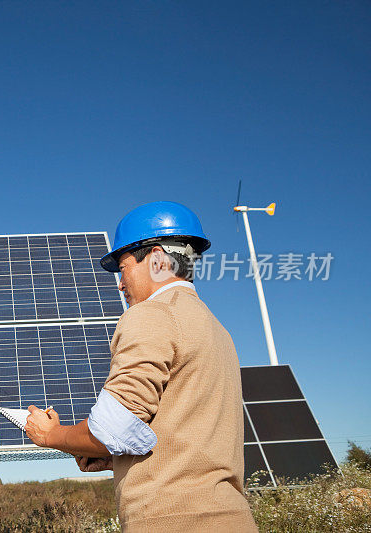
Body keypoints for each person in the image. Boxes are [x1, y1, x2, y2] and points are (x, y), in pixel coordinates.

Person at [24, 201, 257, 532]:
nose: (120, 283)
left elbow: (112, 429)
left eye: (123, 268)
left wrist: (51, 435)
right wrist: (119, 458)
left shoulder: (153, 314)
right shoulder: (215, 329)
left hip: (173, 522)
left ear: (158, 259)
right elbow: (186, 437)